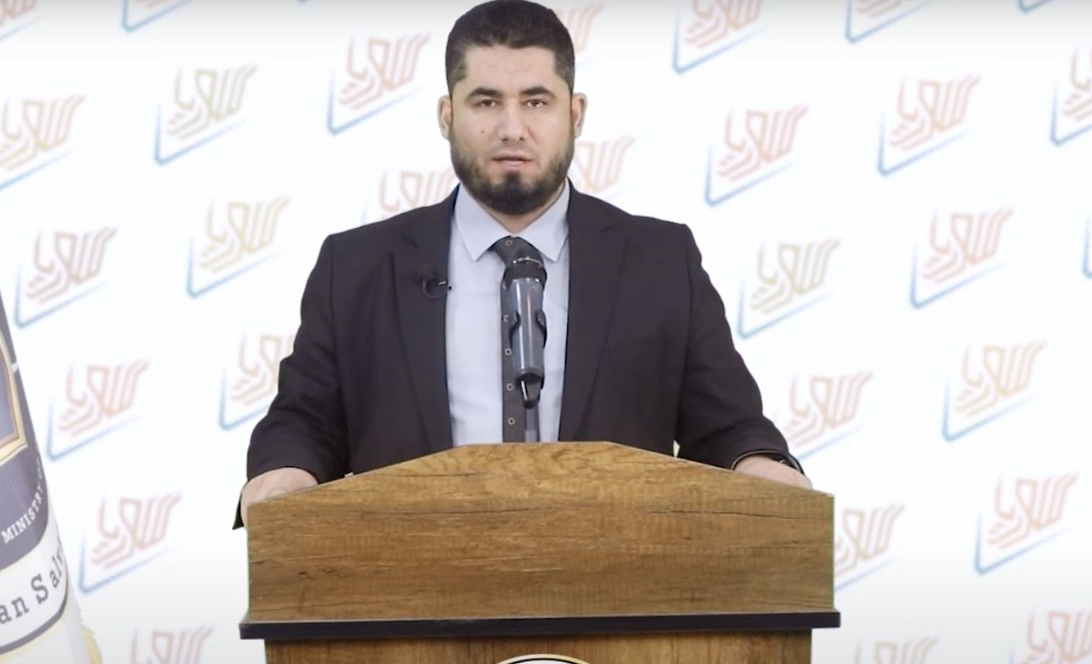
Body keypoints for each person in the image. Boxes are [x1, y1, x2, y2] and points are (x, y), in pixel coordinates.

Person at [237, 0, 809, 527]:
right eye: (486, 102)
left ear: (575, 114)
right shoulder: (355, 267)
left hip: (614, 585)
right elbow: (305, 421)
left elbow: (728, 427)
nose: (512, 128)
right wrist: (284, 476)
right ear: (446, 115)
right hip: (413, 583)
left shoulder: (661, 261)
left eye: (536, 101)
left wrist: (763, 468)